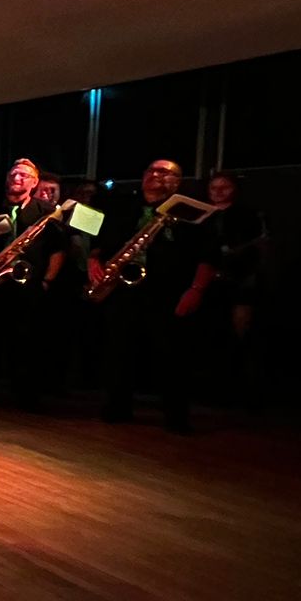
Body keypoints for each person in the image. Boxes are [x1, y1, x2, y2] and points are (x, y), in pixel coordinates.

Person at [91, 158, 213, 432]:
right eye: (151, 170)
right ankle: (117, 407)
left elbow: (208, 256)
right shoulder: (123, 207)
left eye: (165, 172)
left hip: (168, 292)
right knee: (119, 352)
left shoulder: (193, 213)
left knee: (171, 357)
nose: (156, 175)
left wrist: (196, 290)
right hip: (123, 292)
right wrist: (94, 260)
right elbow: (100, 241)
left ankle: (176, 416)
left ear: (177, 181)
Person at [0, 156, 64, 409]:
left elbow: (57, 249)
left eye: (23, 176)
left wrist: (46, 282)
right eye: (13, 175)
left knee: (26, 343)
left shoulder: (46, 212)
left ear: (34, 183)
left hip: (27, 286)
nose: (16, 179)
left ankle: (25, 396)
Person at [203, 170, 266, 400]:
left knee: (240, 333)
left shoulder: (248, 215)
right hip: (208, 282)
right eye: (213, 188)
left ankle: (240, 389)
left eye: (224, 187)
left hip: (239, 280)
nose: (218, 192)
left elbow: (258, 248)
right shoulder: (202, 216)